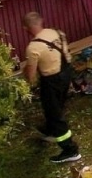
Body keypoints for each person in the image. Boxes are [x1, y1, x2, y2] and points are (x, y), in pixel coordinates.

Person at [20, 13, 81, 164]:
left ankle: (70, 150)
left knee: (55, 114)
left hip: (51, 80)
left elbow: (31, 75)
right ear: (41, 22)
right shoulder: (55, 32)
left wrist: (25, 77)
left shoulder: (33, 47)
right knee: (56, 106)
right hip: (66, 73)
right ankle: (50, 129)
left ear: (26, 28)